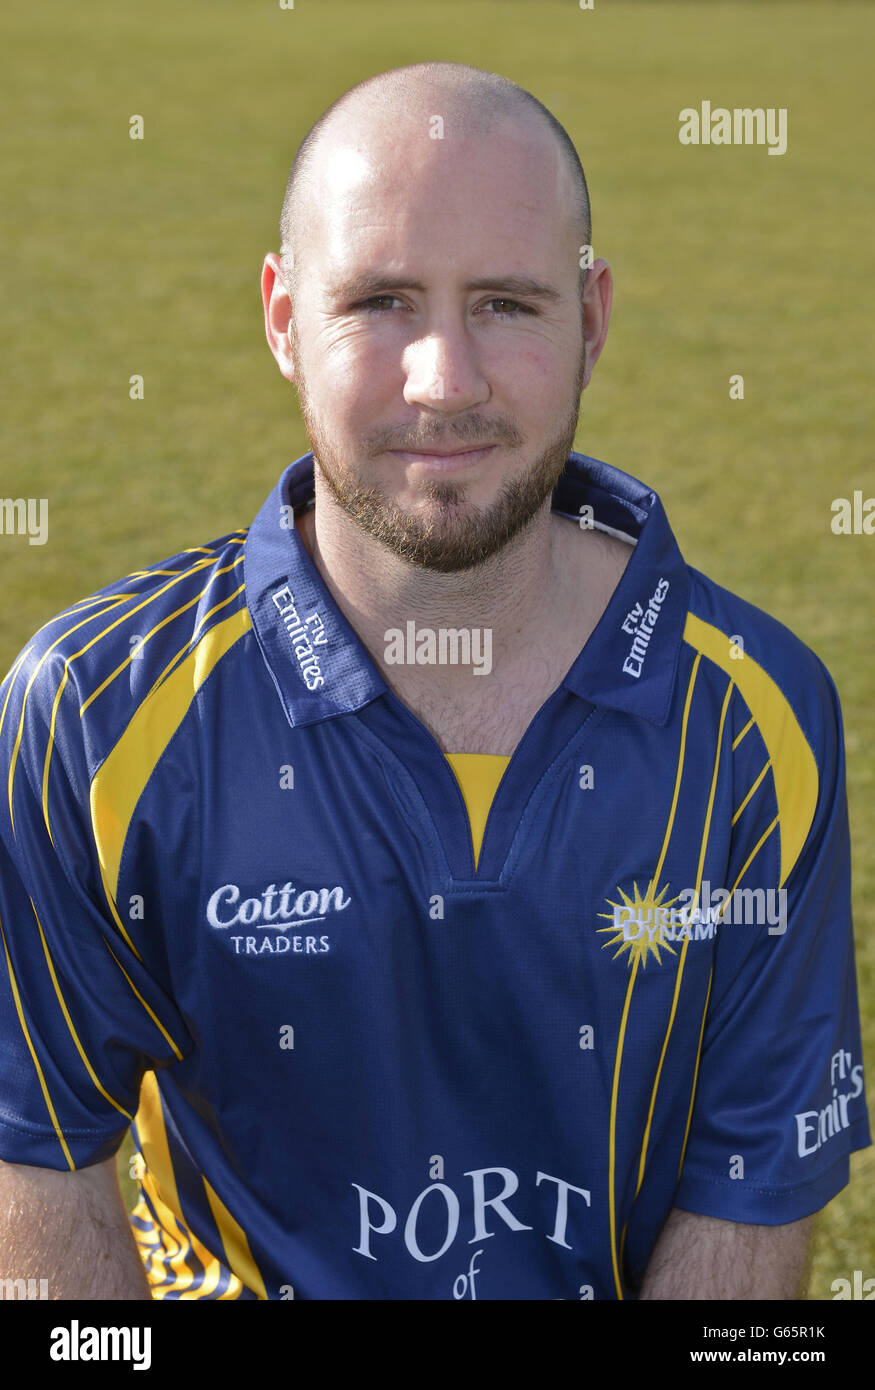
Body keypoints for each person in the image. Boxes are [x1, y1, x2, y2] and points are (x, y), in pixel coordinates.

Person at [0, 61, 869, 1302]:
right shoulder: (88, 713)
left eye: (506, 305)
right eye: (382, 302)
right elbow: (40, 1167)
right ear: (283, 320)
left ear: (594, 318)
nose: (443, 382)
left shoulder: (753, 721)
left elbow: (744, 1196)